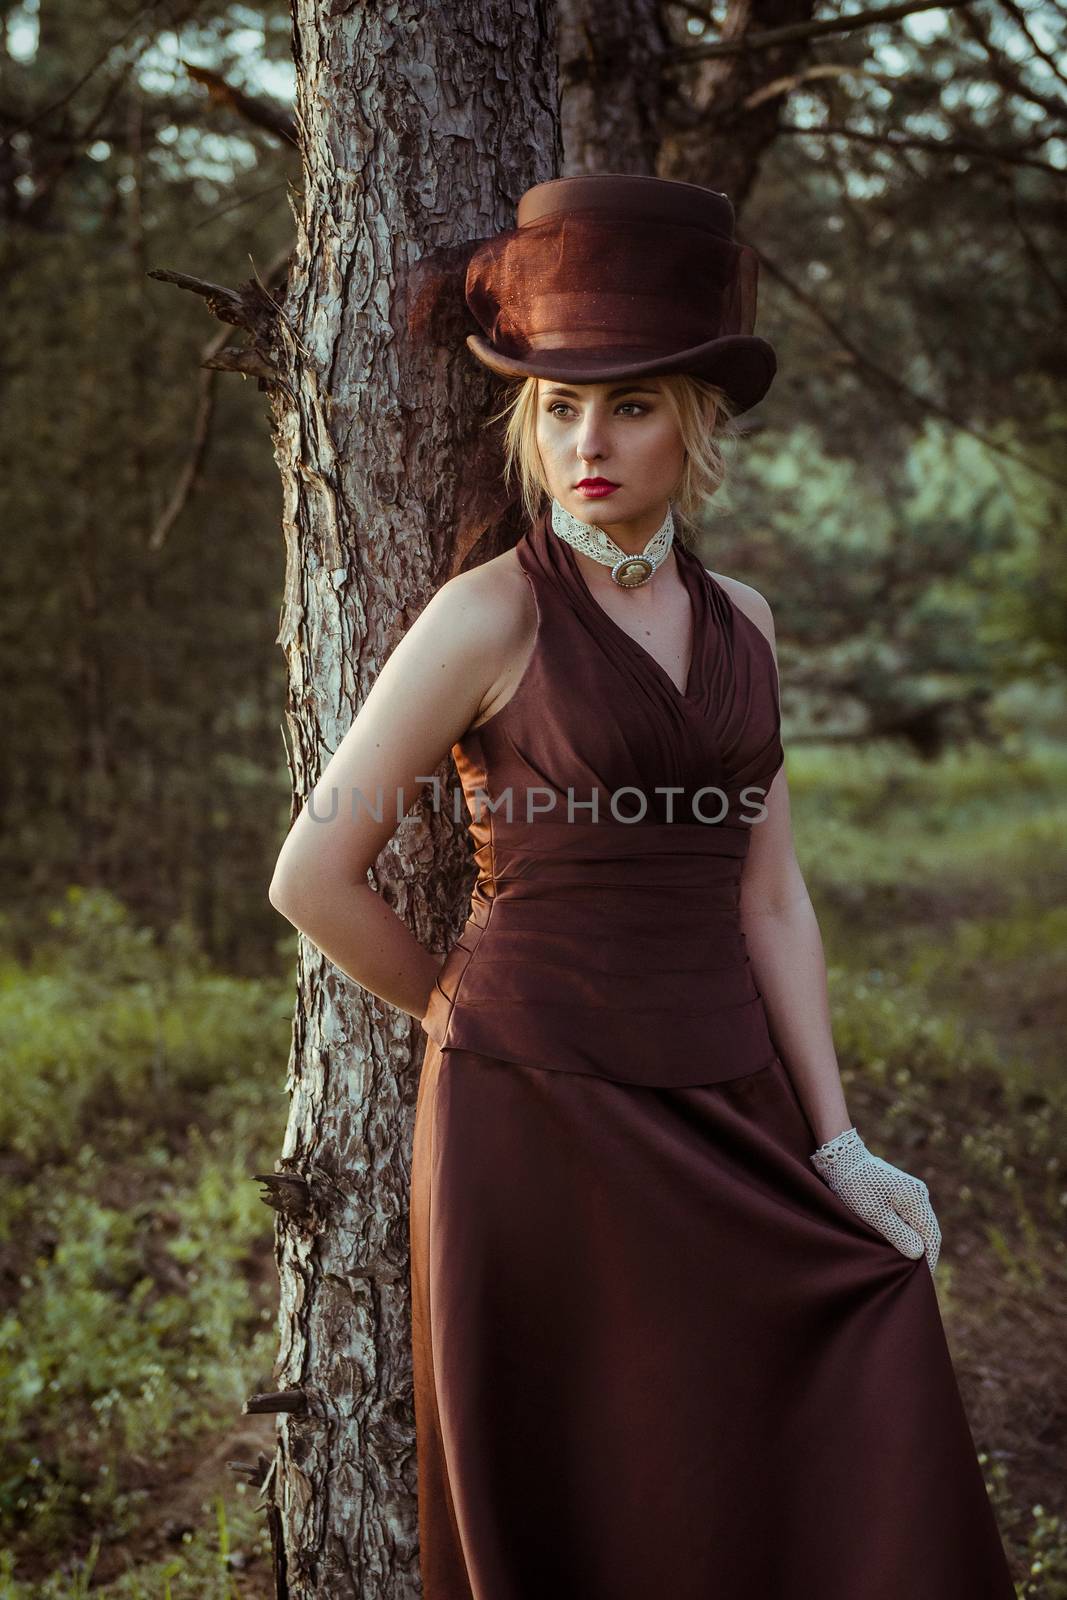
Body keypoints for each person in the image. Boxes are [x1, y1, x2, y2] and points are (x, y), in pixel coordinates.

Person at [269, 175, 1018, 1598]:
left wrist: (839, 1140)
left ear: (695, 423)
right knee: (580, 1472)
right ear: (527, 425)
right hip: (530, 1114)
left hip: (727, 1088)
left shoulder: (745, 623)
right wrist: (468, 1012)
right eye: (557, 409)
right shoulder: (489, 611)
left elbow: (773, 900)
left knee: (818, 1384)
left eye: (628, 407)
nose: (587, 442)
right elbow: (313, 872)